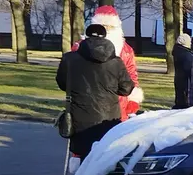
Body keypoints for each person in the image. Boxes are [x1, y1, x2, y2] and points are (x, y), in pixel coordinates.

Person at [57, 24, 135, 165]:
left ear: (85, 36)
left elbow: (63, 83)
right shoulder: (116, 62)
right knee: (106, 157)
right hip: (109, 116)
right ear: (105, 37)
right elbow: (126, 89)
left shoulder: (69, 59)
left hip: (80, 114)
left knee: (85, 157)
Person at [76, 5, 143, 119]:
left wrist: (133, 99)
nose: (106, 29)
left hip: (116, 102)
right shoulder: (79, 48)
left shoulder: (125, 50)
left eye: (110, 26)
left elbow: (131, 74)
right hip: (88, 101)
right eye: (103, 26)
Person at [173, 33, 193, 109]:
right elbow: (189, 67)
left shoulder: (177, 51)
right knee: (183, 98)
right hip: (185, 79)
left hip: (179, 77)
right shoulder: (185, 53)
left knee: (179, 95)